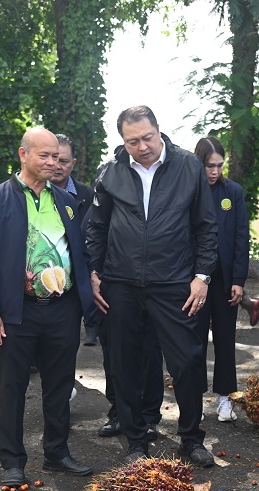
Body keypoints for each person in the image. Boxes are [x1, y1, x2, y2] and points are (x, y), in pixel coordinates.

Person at [85, 105, 218, 467]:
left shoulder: (188, 166)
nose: (142, 147)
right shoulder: (110, 172)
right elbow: (96, 226)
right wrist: (94, 271)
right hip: (121, 283)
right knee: (125, 363)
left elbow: (206, 225)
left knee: (187, 362)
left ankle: (191, 438)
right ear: (122, 141)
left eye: (147, 137)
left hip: (175, 282)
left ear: (159, 130)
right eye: (132, 141)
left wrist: (202, 276)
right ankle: (135, 440)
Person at [0, 127, 95, 486]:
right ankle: (12, 461)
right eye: (44, 156)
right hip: (16, 311)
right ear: (23, 154)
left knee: (60, 385)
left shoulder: (67, 201)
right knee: (13, 387)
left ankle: (57, 453)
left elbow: (79, 252)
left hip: (62, 309)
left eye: (56, 156)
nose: (52, 163)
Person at [193, 136, 250, 422]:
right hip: (194, 281)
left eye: (219, 165)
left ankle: (225, 398)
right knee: (194, 341)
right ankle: (193, 399)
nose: (215, 171)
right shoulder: (188, 190)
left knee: (225, 340)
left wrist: (238, 279)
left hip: (225, 279)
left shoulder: (233, 192)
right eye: (209, 166)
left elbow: (241, 236)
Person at [52, 133, 98, 346]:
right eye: (54, 159)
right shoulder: (33, 193)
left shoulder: (87, 194)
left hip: (79, 265)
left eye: (63, 161)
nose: (57, 166)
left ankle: (91, 327)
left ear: (73, 163)